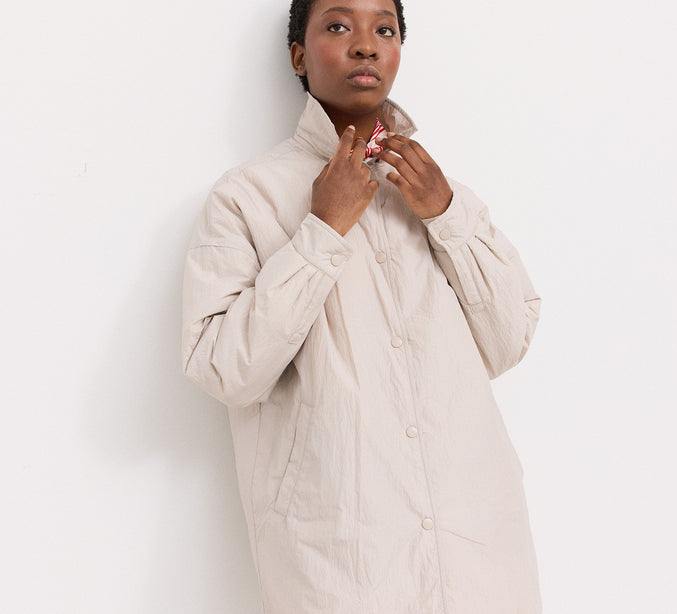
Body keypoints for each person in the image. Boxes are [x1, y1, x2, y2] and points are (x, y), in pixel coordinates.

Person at [181, 0, 543, 612]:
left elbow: (509, 341)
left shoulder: (440, 191)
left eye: (385, 29)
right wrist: (321, 231)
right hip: (342, 556)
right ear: (299, 56)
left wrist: (447, 217)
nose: (367, 44)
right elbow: (225, 372)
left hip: (478, 543)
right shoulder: (247, 196)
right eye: (338, 25)